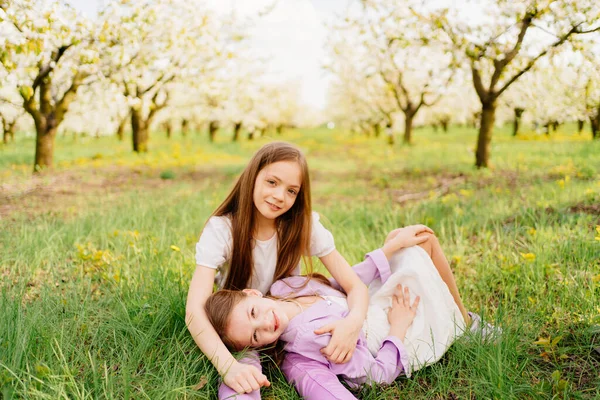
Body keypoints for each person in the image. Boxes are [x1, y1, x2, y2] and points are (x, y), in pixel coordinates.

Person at [186, 142, 379, 398]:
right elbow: (194, 310)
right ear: (253, 177)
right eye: (272, 182)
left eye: (291, 191)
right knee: (243, 376)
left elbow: (354, 285)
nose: (280, 196)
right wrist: (228, 366)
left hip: (291, 319)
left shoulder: (303, 226)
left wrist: (352, 324)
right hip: (246, 327)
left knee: (311, 375)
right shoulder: (223, 230)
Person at [204, 228, 484, 399]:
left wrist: (388, 250)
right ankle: (465, 324)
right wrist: (398, 327)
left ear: (252, 293)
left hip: (367, 303)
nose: (266, 324)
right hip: (393, 326)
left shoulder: (284, 287)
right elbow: (375, 375)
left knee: (404, 237)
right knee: (425, 242)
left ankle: (462, 319)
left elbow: (340, 285)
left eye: (254, 312)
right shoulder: (306, 347)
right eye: (256, 335)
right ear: (258, 346)